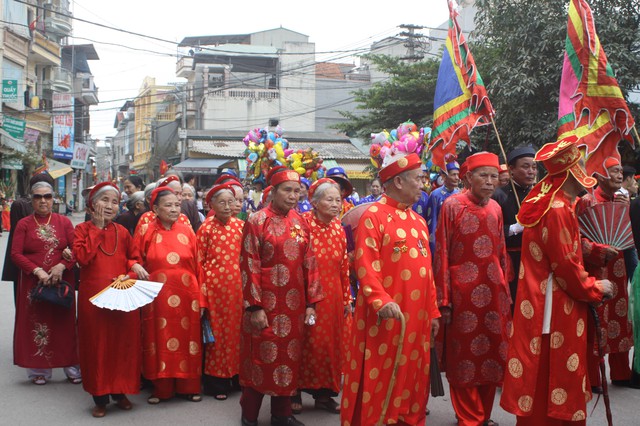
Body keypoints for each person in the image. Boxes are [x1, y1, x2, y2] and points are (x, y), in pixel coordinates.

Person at [501, 136, 614, 425]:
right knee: (555, 372)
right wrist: (595, 287)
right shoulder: (559, 208)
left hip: (544, 298)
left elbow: (566, 246)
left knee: (541, 370)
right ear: (572, 172)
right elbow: (565, 266)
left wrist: (596, 251)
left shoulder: (552, 203)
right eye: (581, 165)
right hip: (556, 302)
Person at [341, 150, 440, 426]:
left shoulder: (419, 221)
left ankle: (409, 419)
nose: (423, 184)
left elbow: (427, 273)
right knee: (381, 374)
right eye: (418, 179)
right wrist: (380, 301)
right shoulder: (373, 215)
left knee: (413, 373)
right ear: (398, 182)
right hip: (386, 316)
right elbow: (366, 265)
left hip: (417, 318)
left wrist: (432, 311)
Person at [239, 166, 323, 426]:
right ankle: (249, 416)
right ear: (273, 192)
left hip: (294, 307)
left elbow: (309, 262)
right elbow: (249, 264)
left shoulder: (300, 222)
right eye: (287, 190)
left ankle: (282, 415)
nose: (293, 196)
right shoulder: (256, 221)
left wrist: (311, 303)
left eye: (297, 191)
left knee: (289, 360)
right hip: (264, 305)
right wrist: (254, 307)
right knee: (260, 360)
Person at [433, 152, 511, 426]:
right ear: (468, 178)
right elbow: (441, 252)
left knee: (491, 356)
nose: (490, 182)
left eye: (493, 176)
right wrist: (444, 300)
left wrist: (505, 294)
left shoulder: (496, 209)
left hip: (493, 293)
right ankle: (469, 417)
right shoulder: (452, 206)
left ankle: (484, 415)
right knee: (463, 358)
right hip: (461, 295)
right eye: (483, 176)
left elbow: (501, 254)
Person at [73, 182, 149, 417]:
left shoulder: (123, 232)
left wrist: (133, 265)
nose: (109, 205)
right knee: (97, 346)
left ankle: (121, 392)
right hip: (93, 299)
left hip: (121, 295)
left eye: (114, 202)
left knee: (122, 345)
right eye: (104, 200)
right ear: (92, 203)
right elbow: (83, 258)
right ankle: (100, 397)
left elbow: (132, 257)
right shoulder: (81, 230)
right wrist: (96, 227)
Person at [132, 186, 205, 404]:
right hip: (157, 296)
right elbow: (134, 258)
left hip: (187, 295)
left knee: (188, 340)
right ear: (155, 208)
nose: (174, 209)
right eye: (168, 205)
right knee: (158, 339)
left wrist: (202, 298)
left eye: (177, 205)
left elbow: (199, 265)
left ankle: (189, 386)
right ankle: (161, 389)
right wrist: (134, 267)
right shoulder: (146, 230)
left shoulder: (187, 230)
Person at [11, 181, 81, 385]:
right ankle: (38, 370)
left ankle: (71, 367)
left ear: (54, 199)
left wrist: (61, 266)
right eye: (38, 197)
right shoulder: (24, 224)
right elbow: (15, 254)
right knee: (36, 322)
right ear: (31, 199)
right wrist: (37, 270)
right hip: (34, 282)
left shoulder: (64, 222)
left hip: (61, 280)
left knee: (64, 323)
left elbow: (76, 249)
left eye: (47, 196)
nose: (43, 201)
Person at [575, 156, 634, 390]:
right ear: (600, 175)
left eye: (621, 171)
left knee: (620, 319)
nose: (620, 175)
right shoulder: (587, 201)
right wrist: (598, 252)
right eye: (615, 171)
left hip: (618, 267)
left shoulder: (623, 200)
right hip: (597, 267)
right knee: (599, 322)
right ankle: (594, 377)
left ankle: (621, 372)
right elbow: (578, 239)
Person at [297, 178, 351, 414]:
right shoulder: (302, 225)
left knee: (330, 345)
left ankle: (325, 395)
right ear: (315, 202)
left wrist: (347, 298)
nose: (335, 204)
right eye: (329, 199)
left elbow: (344, 267)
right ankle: (293, 393)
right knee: (305, 343)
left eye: (338, 199)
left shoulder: (339, 228)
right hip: (306, 294)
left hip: (334, 295)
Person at [196, 183, 244, 401]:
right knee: (217, 337)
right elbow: (199, 263)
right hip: (214, 291)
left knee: (238, 334)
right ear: (211, 205)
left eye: (230, 202)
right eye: (221, 202)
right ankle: (217, 383)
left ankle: (237, 377)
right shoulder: (205, 228)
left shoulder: (241, 226)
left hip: (238, 290)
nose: (227, 206)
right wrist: (203, 295)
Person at [493, 145, 537, 305]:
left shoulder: (539, 194)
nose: (531, 171)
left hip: (534, 260)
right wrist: (512, 229)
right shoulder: (499, 195)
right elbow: (491, 231)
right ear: (511, 169)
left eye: (534, 167)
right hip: (510, 258)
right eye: (525, 167)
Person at [3, 172, 55, 306]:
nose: (43, 199)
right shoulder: (20, 205)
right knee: (26, 298)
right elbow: (18, 236)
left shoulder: (46, 204)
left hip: (43, 258)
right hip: (24, 257)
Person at [426, 158, 460, 255]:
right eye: (453, 174)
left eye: (458, 175)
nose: (457, 178)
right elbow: (432, 220)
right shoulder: (435, 195)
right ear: (444, 176)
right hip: (440, 237)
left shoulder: (459, 194)